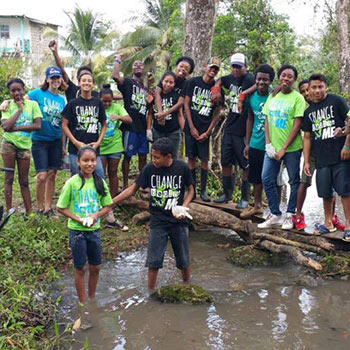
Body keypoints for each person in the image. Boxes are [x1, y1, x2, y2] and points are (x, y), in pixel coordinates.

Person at [109, 138, 194, 290]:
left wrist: (184, 207)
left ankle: (187, 286)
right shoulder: (150, 169)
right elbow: (132, 189)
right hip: (158, 220)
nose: (153, 160)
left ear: (168, 157)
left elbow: (191, 190)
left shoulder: (182, 168)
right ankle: (150, 292)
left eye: (157, 157)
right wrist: (111, 202)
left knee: (183, 260)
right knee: (153, 261)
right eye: (152, 156)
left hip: (178, 221)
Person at [57, 146, 113, 303]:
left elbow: (108, 205)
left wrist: (96, 215)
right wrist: (78, 219)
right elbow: (60, 208)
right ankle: (82, 302)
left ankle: (92, 298)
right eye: (85, 160)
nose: (90, 164)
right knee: (80, 267)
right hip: (77, 231)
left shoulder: (99, 182)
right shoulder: (72, 183)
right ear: (78, 162)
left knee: (95, 267)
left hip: (94, 230)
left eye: (93, 160)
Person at [302, 74, 350, 240]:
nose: (317, 90)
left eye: (320, 87)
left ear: (325, 87)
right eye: (313, 87)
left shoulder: (336, 101)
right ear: (308, 90)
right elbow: (307, 137)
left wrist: (346, 145)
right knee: (325, 192)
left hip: (340, 156)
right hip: (321, 158)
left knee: (344, 191)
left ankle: (349, 226)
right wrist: (307, 161)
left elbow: (349, 120)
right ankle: (328, 223)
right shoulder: (308, 112)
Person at [258, 64, 305, 229]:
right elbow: (266, 120)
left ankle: (290, 215)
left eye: (290, 76)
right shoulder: (273, 96)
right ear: (279, 77)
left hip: (292, 149)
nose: (286, 78)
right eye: (283, 75)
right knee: (266, 178)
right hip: (272, 148)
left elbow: (296, 125)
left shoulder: (298, 98)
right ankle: (276, 214)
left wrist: (284, 149)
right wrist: (268, 144)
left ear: (294, 80)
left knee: (294, 180)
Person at [212, 53, 255, 206]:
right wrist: (216, 87)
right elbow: (220, 79)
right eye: (234, 67)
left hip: (243, 129)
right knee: (226, 161)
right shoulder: (229, 78)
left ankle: (245, 197)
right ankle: (227, 194)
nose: (236, 70)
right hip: (229, 127)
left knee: (245, 164)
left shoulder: (249, 79)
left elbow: (261, 84)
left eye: (239, 67)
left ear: (245, 67)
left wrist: (244, 93)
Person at [27, 66, 66, 215]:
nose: (56, 80)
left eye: (58, 77)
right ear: (47, 79)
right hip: (40, 140)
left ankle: (48, 207)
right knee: (41, 176)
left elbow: (63, 125)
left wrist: (63, 145)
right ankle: (39, 207)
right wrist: (6, 102)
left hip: (56, 141)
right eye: (53, 78)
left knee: (52, 174)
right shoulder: (38, 93)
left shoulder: (62, 100)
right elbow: (21, 101)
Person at [184, 57, 223, 202]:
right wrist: (192, 127)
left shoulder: (216, 89)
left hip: (205, 130)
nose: (213, 71)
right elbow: (186, 104)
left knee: (204, 159)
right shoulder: (193, 83)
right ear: (206, 67)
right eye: (211, 67)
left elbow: (217, 113)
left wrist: (208, 132)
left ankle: (204, 191)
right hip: (191, 128)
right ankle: (191, 190)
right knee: (191, 159)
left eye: (216, 69)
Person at [1, 79, 42, 216]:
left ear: (24, 89)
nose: (17, 93)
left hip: (24, 147)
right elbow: (6, 127)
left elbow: (37, 125)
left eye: (19, 89)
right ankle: (9, 212)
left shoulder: (33, 105)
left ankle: (29, 212)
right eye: (13, 90)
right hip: (9, 145)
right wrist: (19, 109)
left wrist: (16, 127)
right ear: (10, 92)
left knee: (24, 181)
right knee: (9, 178)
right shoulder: (7, 106)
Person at [240, 64, 275, 218]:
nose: (262, 82)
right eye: (259, 79)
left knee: (271, 177)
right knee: (255, 175)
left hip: (272, 144)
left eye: (265, 79)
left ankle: (275, 211)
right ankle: (258, 205)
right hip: (255, 142)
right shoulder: (251, 98)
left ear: (270, 81)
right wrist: (247, 143)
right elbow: (250, 118)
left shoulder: (275, 95)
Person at [112, 55, 150, 189]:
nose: (138, 66)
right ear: (132, 69)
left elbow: (149, 108)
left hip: (143, 128)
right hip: (130, 127)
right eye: (135, 64)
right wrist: (117, 60)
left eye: (141, 64)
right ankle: (126, 185)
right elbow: (116, 76)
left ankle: (142, 185)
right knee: (127, 157)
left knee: (143, 157)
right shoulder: (128, 83)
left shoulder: (145, 88)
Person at [61, 71, 107, 178]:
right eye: (84, 81)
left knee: (100, 177)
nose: (87, 83)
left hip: (93, 149)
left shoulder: (98, 103)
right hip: (75, 149)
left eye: (89, 81)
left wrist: (98, 143)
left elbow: (104, 124)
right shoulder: (72, 103)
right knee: (77, 179)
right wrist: (76, 142)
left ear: (93, 84)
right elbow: (64, 125)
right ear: (79, 83)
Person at [99, 84, 132, 228]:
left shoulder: (117, 107)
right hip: (100, 145)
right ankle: (101, 201)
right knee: (101, 175)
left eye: (109, 101)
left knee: (113, 173)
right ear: (99, 99)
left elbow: (129, 119)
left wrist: (118, 117)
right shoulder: (96, 108)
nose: (106, 104)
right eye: (104, 101)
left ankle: (112, 201)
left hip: (115, 145)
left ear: (113, 100)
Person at [146, 71, 185, 159]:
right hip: (157, 131)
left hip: (173, 131)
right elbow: (150, 113)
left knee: (172, 156)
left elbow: (180, 115)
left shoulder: (176, 96)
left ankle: (172, 173)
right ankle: (155, 173)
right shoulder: (155, 96)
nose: (168, 84)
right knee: (155, 156)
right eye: (166, 81)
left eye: (171, 82)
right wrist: (148, 129)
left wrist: (184, 131)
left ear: (174, 84)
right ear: (162, 81)